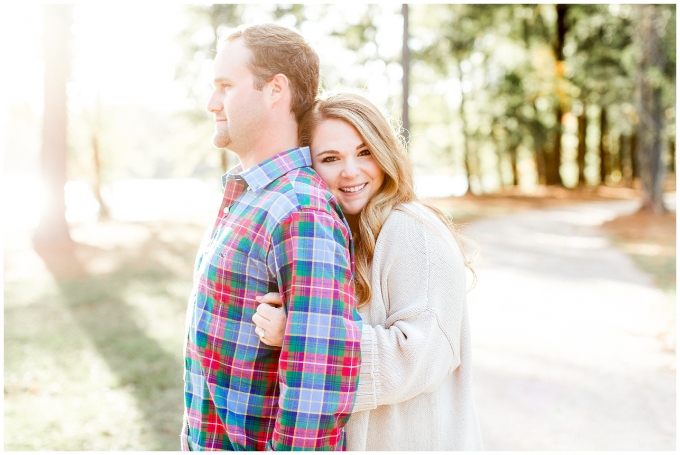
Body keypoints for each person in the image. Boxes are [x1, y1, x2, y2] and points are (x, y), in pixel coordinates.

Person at [252, 92, 483, 450]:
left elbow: (419, 357)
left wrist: (299, 335)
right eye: (330, 158)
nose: (350, 171)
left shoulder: (409, 228)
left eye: (364, 152)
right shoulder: (342, 234)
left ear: (385, 153)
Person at [182, 24, 362, 451]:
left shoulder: (300, 209)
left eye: (225, 86)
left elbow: (315, 393)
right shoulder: (251, 196)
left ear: (275, 89)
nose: (212, 103)